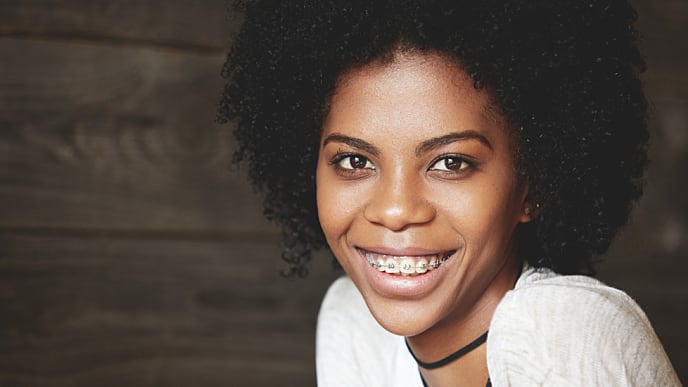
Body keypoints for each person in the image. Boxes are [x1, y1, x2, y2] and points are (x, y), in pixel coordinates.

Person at [218, 0, 681, 385]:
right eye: (354, 161)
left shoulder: (561, 331)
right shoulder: (353, 323)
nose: (396, 210)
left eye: (450, 163)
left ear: (531, 185)